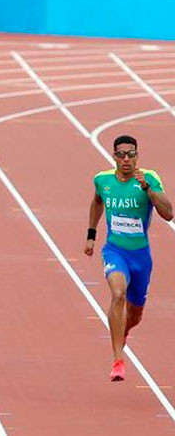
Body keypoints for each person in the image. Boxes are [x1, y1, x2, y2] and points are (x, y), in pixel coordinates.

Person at [84, 134, 172, 381]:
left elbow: (168, 213)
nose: (126, 159)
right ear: (114, 156)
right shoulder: (102, 180)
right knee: (118, 293)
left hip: (141, 257)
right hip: (115, 251)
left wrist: (148, 190)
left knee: (135, 316)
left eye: (131, 154)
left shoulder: (149, 178)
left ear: (137, 156)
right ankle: (118, 360)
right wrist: (91, 235)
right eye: (121, 154)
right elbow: (97, 202)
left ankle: (123, 331)